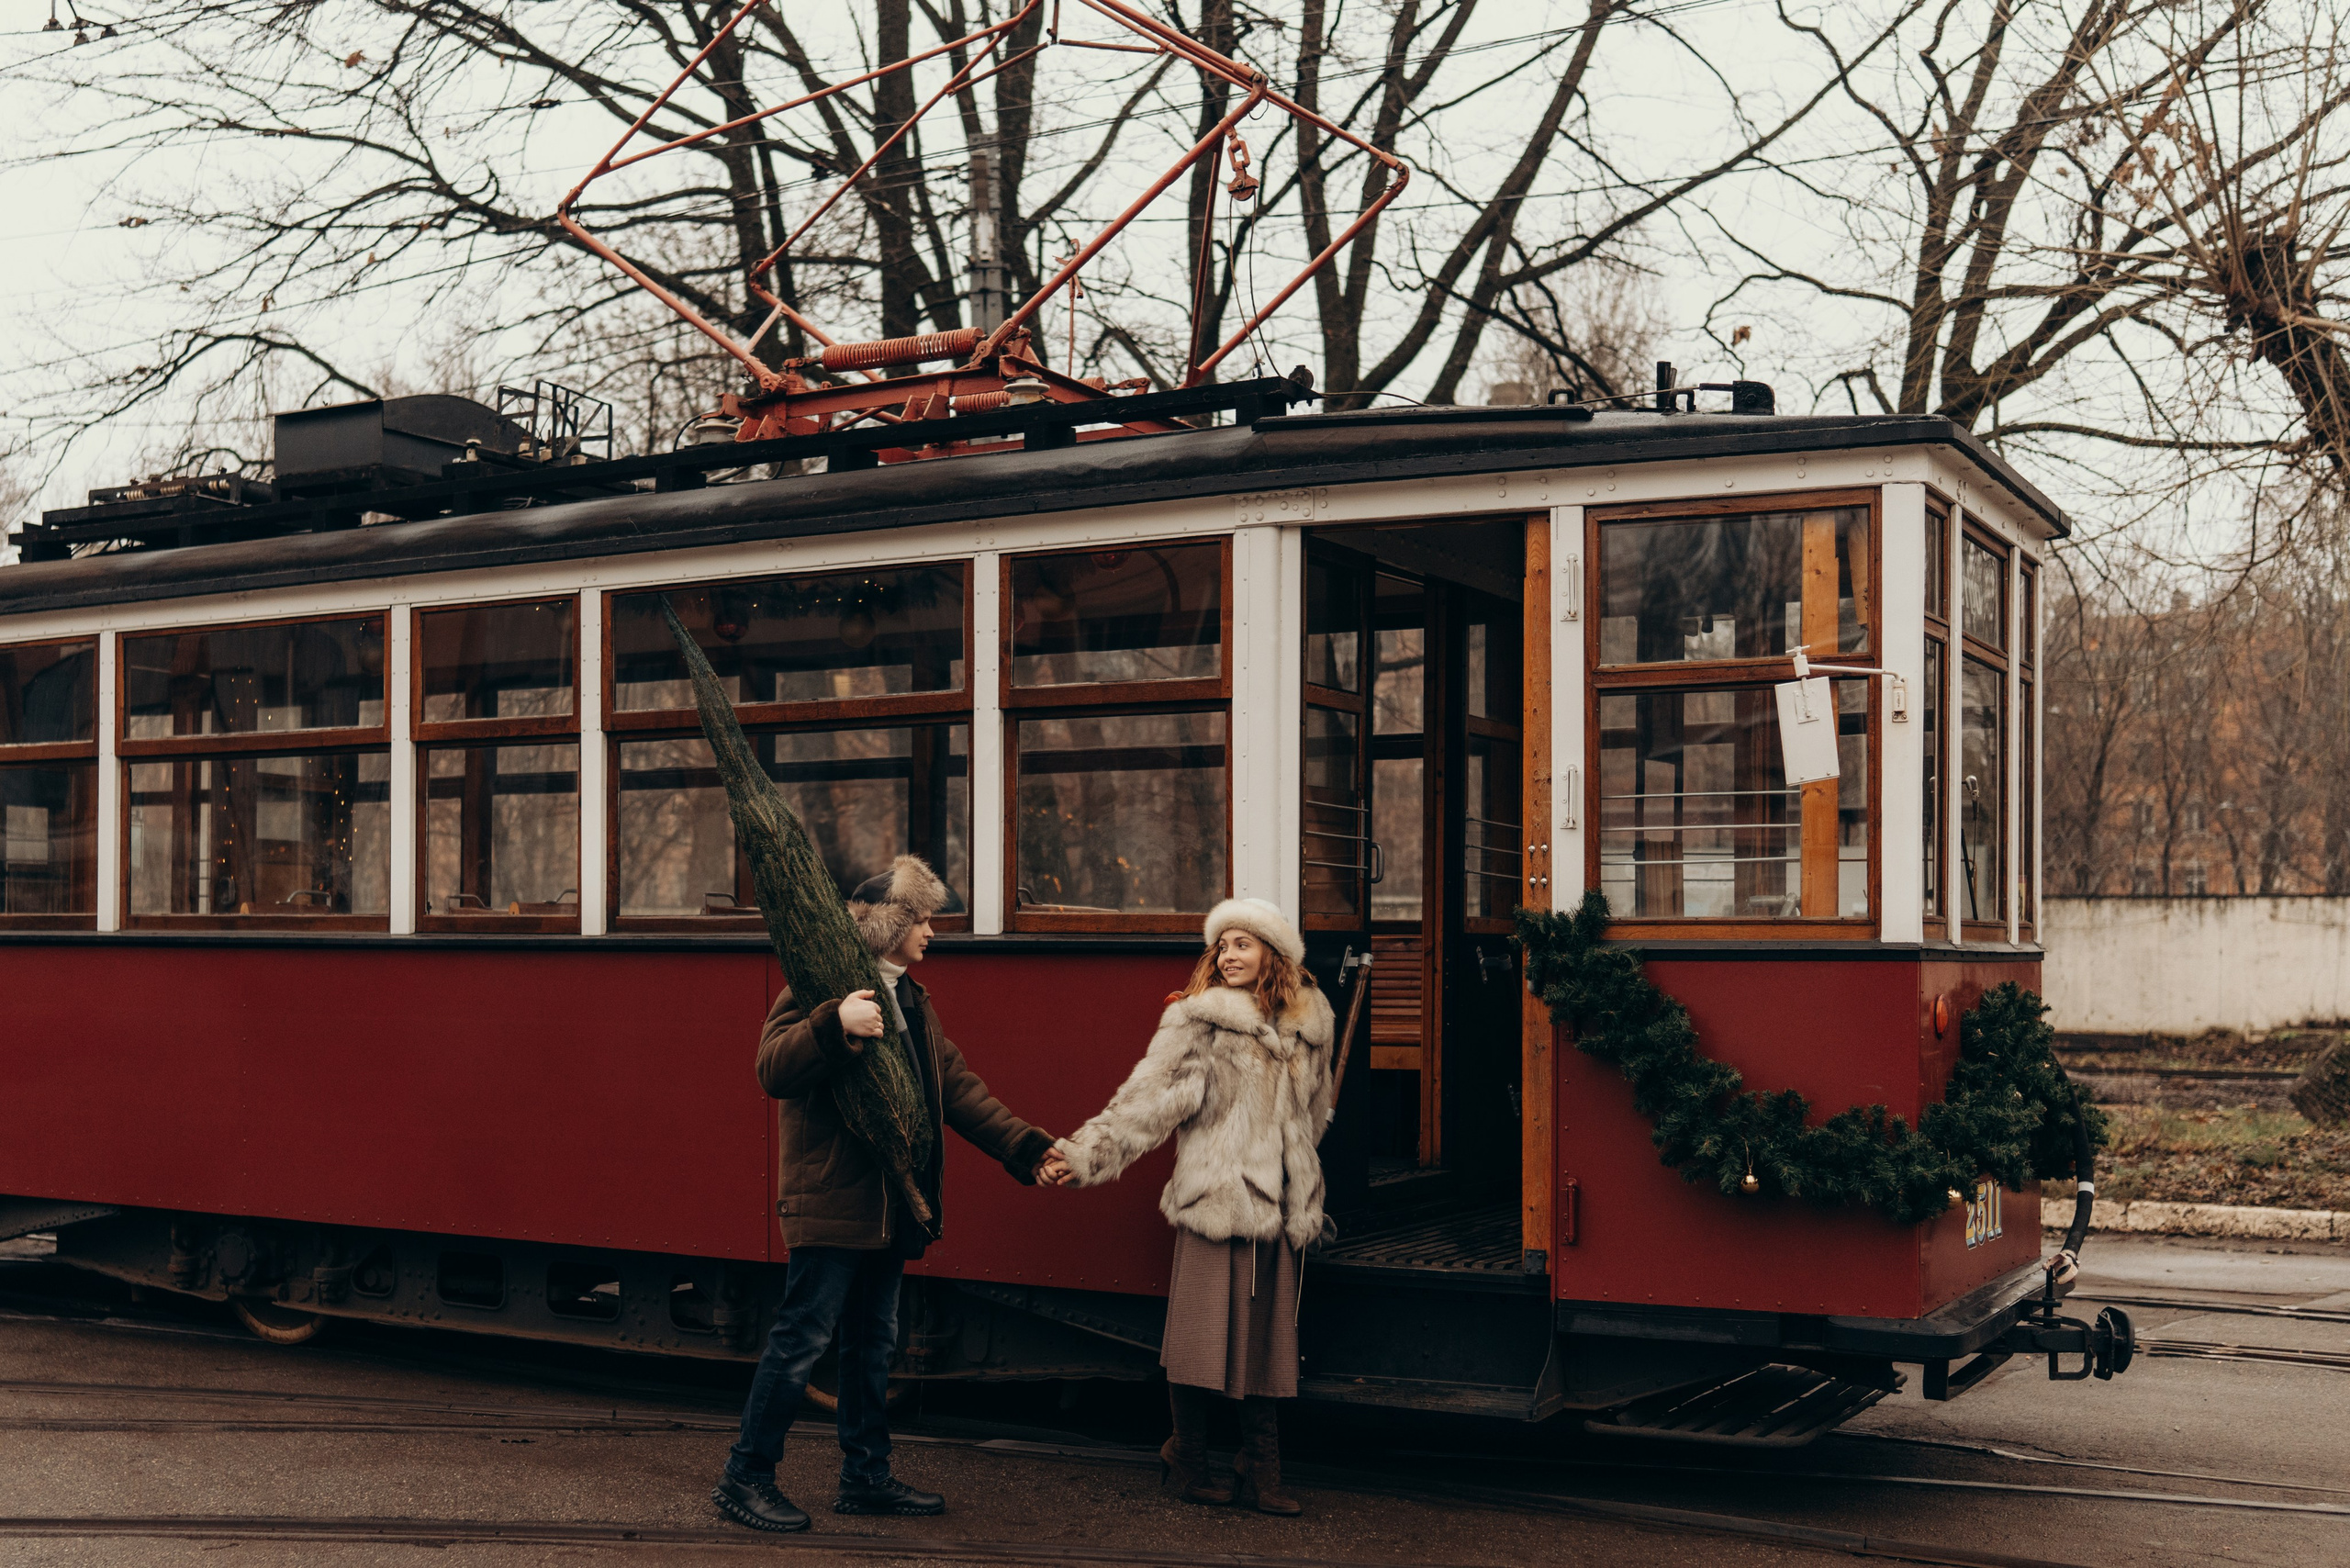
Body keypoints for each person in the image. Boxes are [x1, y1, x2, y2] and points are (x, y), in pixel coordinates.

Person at [712, 856, 1059, 1534]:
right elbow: (771, 1068)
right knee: (800, 1339)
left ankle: (865, 1478)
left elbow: (959, 1091)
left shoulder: (911, 1003)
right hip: (833, 1203)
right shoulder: (824, 986)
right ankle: (744, 1476)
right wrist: (833, 1026)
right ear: (888, 926)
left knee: (872, 1345)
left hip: (891, 1205)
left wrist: (1029, 1149)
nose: (932, 932)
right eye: (922, 920)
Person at [1042, 897, 1336, 1517]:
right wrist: (1086, 1155)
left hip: (1280, 1209)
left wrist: (1299, 1175)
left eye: (1242, 944)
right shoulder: (1198, 1023)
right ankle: (1190, 1461)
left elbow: (1313, 1114)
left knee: (1266, 1349)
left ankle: (1261, 1470)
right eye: (1221, 946)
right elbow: (1148, 1103)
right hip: (1215, 1201)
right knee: (1201, 1342)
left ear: (1273, 955)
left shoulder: (1311, 1025)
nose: (1228, 955)